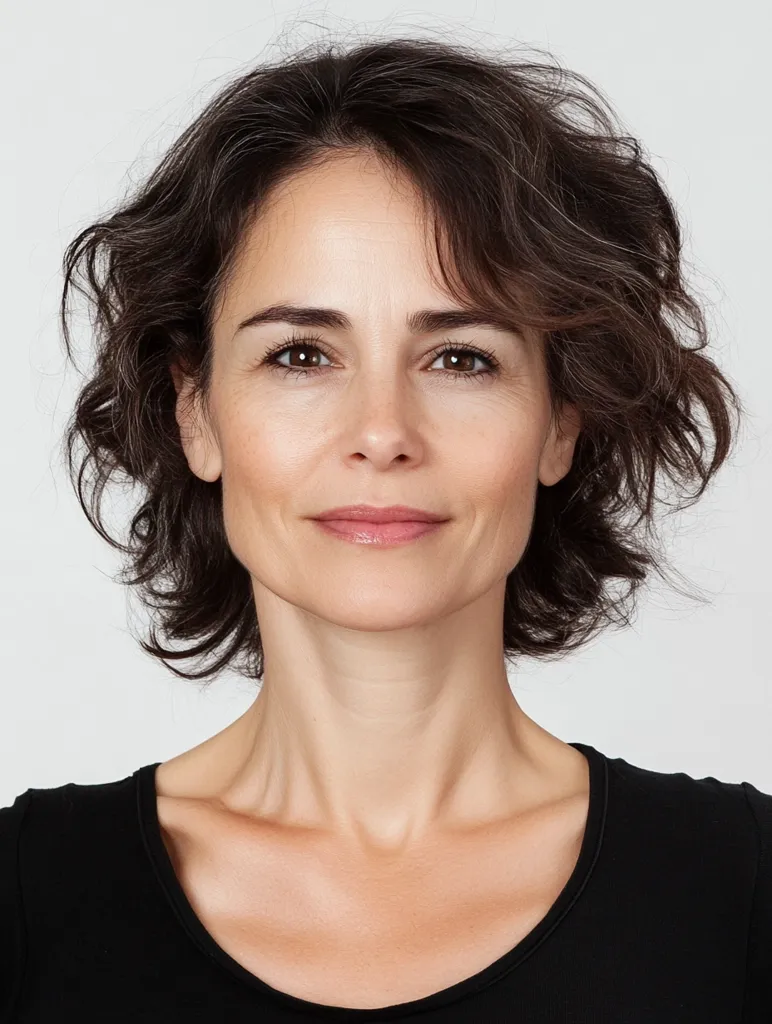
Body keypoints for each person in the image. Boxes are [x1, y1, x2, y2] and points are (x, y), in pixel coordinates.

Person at [1, 33, 769, 1022]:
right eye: (300, 355)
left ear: (560, 419)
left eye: (460, 359)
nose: (380, 433)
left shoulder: (737, 895)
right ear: (195, 410)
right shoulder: (26, 903)